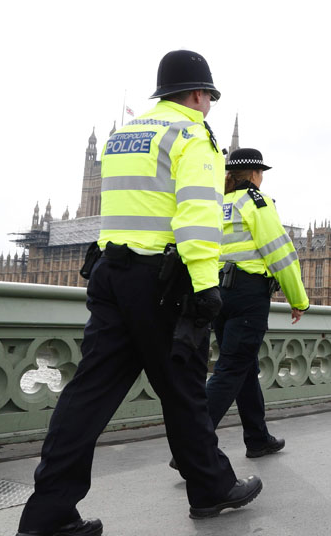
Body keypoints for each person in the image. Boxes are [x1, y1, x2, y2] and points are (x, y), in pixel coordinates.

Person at [16, 51, 261, 536]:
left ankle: (47, 513)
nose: (208, 105)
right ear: (197, 95)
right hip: (163, 281)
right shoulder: (193, 135)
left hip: (110, 272)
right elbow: (196, 215)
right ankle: (210, 488)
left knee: (87, 395)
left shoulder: (124, 136)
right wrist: (206, 286)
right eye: (208, 97)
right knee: (186, 389)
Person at [205, 148, 310, 457]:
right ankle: (191, 444)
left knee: (244, 366)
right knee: (230, 369)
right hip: (247, 295)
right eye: (261, 173)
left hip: (216, 293)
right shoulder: (257, 203)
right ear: (253, 175)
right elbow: (281, 254)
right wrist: (298, 300)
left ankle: (258, 437)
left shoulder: (217, 203)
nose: (262, 178)